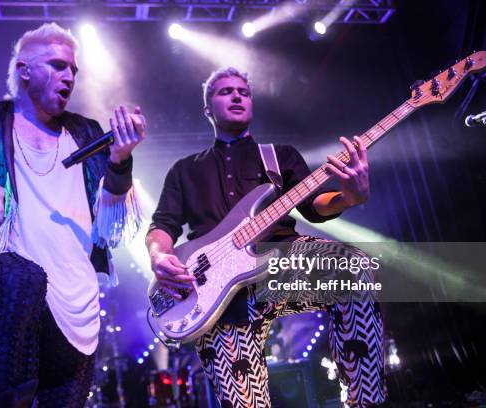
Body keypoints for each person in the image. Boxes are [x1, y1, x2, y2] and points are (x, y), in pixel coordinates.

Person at [0, 23, 145, 407]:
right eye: (57, 66)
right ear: (24, 70)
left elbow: (109, 219)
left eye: (73, 69)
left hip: (75, 297)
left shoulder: (86, 132)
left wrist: (121, 160)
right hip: (4, 279)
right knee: (22, 277)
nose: (69, 76)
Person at [146, 67, 385, 407]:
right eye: (225, 91)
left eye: (243, 91)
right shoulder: (185, 170)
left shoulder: (280, 157)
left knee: (351, 267)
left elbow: (314, 207)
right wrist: (159, 256)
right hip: (215, 295)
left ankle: (366, 401)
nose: (237, 96)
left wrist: (349, 197)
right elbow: (163, 225)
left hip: (280, 261)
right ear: (207, 110)